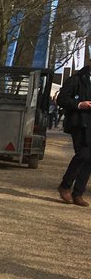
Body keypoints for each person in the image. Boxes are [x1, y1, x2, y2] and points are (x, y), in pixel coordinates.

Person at [57, 64, 91, 207]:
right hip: (78, 123)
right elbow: (61, 99)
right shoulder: (75, 79)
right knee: (82, 155)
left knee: (90, 159)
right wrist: (79, 104)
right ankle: (65, 185)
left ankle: (78, 193)